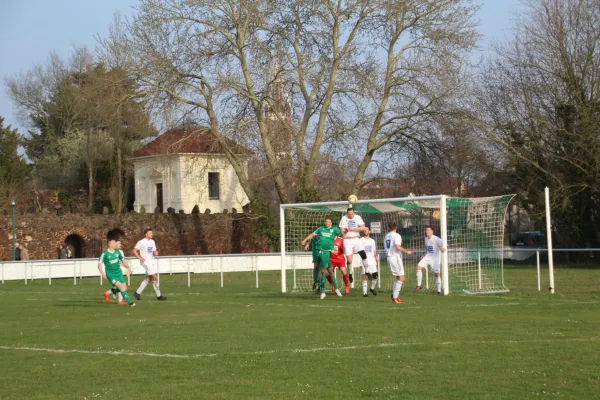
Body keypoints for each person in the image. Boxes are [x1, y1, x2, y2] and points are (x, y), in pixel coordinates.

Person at [301, 217, 343, 299]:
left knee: (324, 271)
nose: (327, 223)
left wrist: (345, 230)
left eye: (329, 222)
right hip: (318, 251)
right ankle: (321, 286)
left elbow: (342, 234)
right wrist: (305, 240)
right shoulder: (321, 229)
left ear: (331, 223)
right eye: (326, 221)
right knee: (329, 271)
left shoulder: (334, 229)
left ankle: (324, 290)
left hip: (326, 252)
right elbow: (312, 235)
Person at [98, 238, 136, 307]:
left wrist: (129, 268)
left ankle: (109, 292)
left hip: (119, 273)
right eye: (115, 243)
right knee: (122, 287)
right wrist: (103, 274)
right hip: (111, 274)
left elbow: (123, 260)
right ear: (110, 244)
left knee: (124, 288)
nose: (116, 244)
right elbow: (99, 265)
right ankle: (130, 303)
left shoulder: (117, 252)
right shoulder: (105, 254)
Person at [339, 208, 368, 293]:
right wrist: (345, 230)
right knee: (349, 260)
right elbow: (342, 231)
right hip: (347, 240)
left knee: (363, 254)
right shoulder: (344, 218)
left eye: (352, 214)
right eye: (349, 214)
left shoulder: (357, 217)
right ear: (347, 213)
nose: (350, 216)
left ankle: (367, 271)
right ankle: (350, 273)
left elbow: (363, 227)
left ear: (354, 213)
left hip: (356, 239)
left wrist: (353, 229)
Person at [133, 228, 167, 301]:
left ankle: (137, 293)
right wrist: (140, 258)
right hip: (146, 262)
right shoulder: (141, 242)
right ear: (146, 234)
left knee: (149, 278)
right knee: (155, 277)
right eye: (150, 233)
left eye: (152, 233)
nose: (152, 234)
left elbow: (154, 251)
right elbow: (134, 250)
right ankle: (159, 295)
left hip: (151, 261)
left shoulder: (152, 242)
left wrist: (156, 253)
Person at [384, 222, 412, 303]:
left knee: (400, 278)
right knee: (401, 278)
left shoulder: (386, 236)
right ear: (396, 227)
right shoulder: (396, 235)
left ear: (388, 228)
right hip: (394, 257)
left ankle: (395, 295)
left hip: (392, 257)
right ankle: (395, 297)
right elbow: (397, 246)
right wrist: (407, 251)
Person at [414, 226, 446, 295]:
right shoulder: (426, 239)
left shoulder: (437, 239)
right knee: (418, 267)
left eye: (428, 230)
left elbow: (442, 247)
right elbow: (428, 249)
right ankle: (419, 285)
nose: (426, 232)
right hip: (427, 257)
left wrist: (442, 249)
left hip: (435, 259)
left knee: (437, 275)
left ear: (432, 231)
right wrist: (424, 255)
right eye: (426, 230)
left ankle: (439, 291)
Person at [103, 240, 128, 304]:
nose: (120, 245)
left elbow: (121, 261)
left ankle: (107, 293)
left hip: (118, 271)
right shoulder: (109, 253)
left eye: (120, 243)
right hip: (112, 273)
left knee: (120, 286)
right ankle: (120, 300)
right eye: (118, 243)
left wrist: (127, 267)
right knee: (120, 286)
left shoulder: (120, 252)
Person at [360, 227, 379, 297]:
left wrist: (376, 257)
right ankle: (365, 293)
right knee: (366, 276)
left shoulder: (372, 241)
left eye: (367, 230)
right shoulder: (361, 240)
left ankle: (372, 288)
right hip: (364, 260)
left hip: (372, 260)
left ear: (369, 231)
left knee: (375, 276)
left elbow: (374, 250)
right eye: (364, 230)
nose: (365, 231)